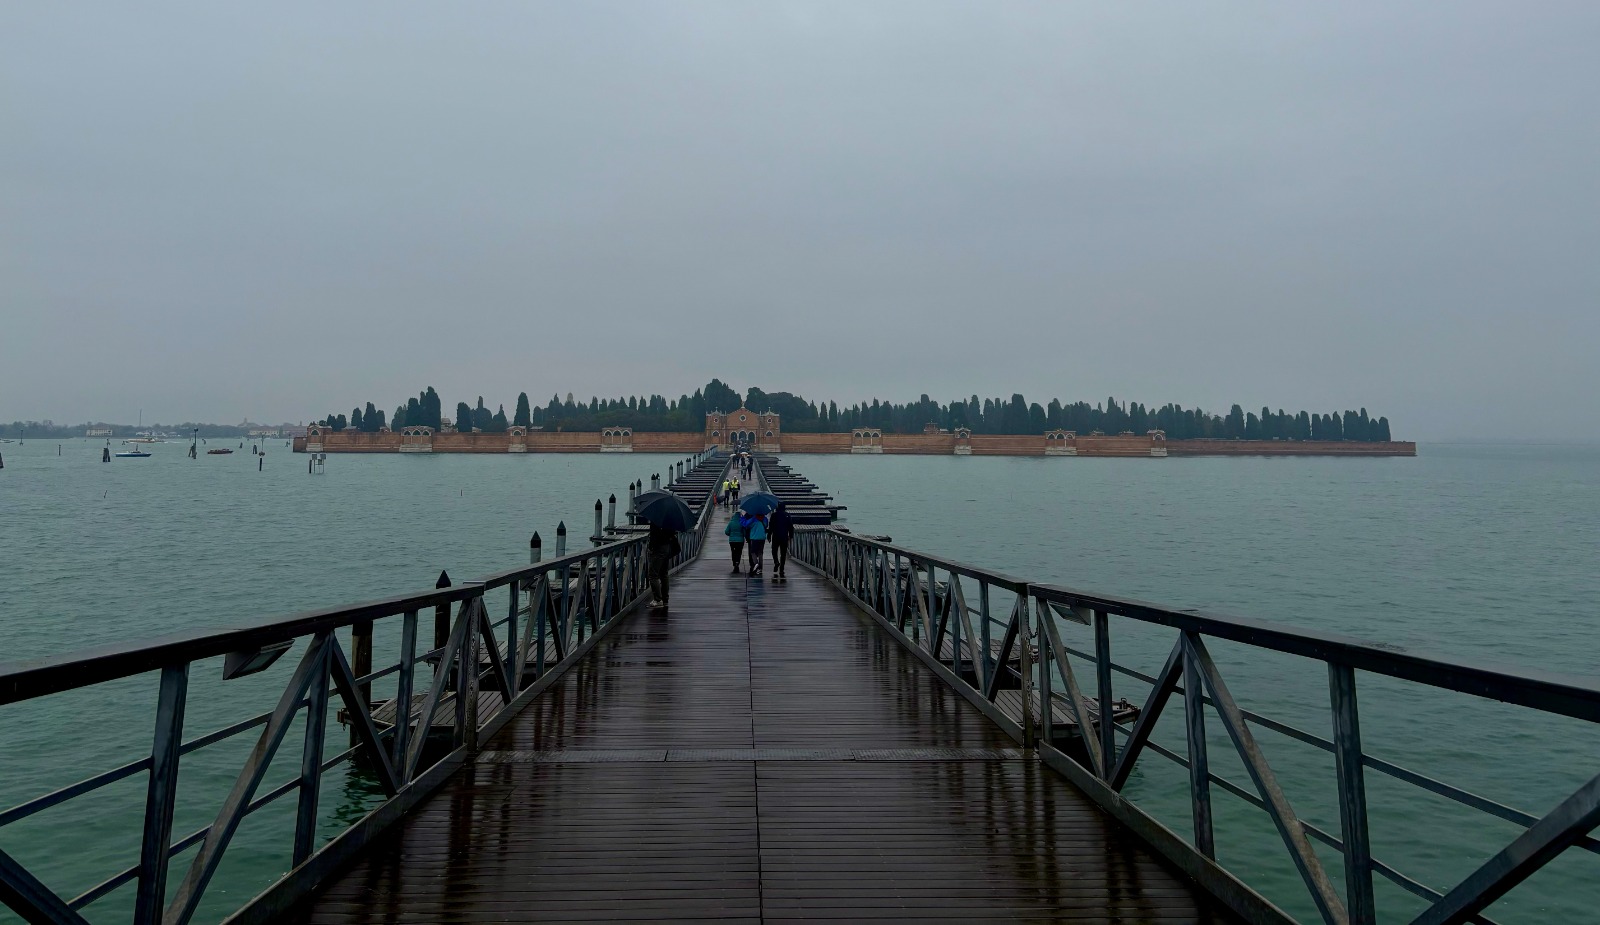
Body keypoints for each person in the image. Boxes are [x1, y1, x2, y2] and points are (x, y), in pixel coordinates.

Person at [646, 524, 681, 606]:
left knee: (653, 575)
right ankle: (665, 599)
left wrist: (651, 548)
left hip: (658, 548)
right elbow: (672, 532)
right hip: (667, 547)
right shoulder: (669, 519)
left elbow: (654, 534)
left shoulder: (656, 518)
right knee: (664, 574)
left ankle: (658, 599)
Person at [768, 502, 793, 581]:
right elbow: (790, 526)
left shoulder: (774, 515)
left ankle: (776, 561)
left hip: (775, 536)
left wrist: (769, 535)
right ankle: (781, 568)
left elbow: (771, 526)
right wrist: (791, 536)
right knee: (783, 553)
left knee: (774, 550)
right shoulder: (787, 515)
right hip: (784, 537)